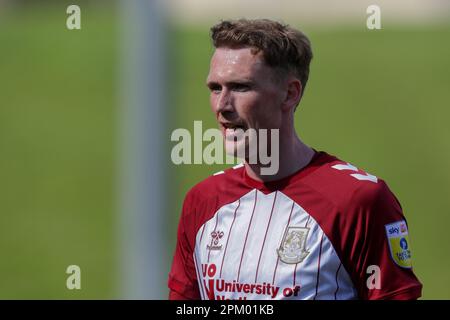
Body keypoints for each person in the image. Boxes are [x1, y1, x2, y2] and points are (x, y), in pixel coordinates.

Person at [168, 18, 422, 300]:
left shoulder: (358, 201)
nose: (222, 106)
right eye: (215, 88)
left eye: (240, 87)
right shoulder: (203, 201)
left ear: (290, 94)